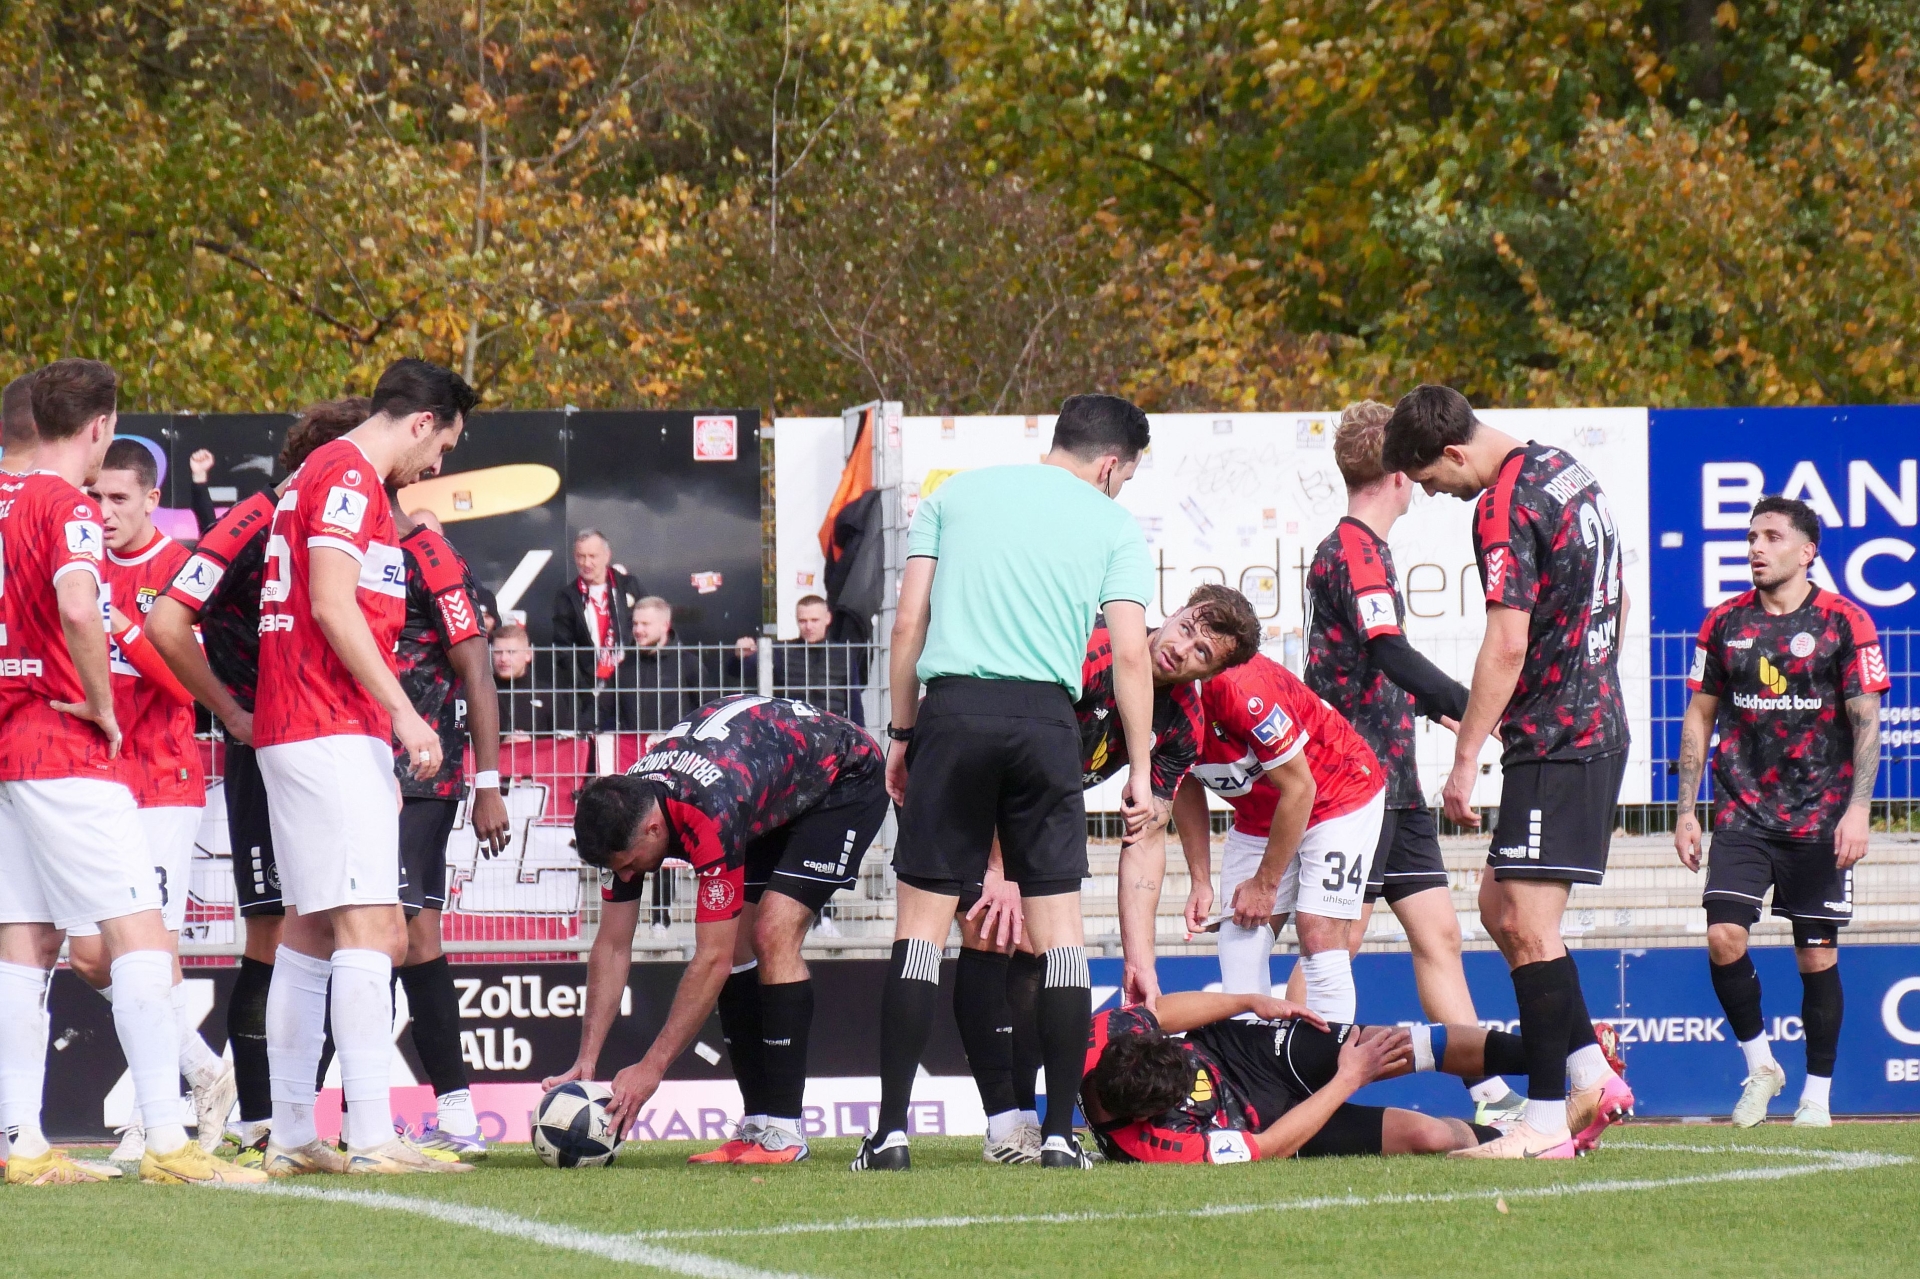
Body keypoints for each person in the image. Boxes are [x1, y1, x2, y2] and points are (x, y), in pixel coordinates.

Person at [861, 393, 1158, 1173]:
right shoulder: (1113, 524)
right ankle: (1058, 1136)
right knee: (1061, 938)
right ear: (1110, 464)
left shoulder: (954, 493)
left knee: (919, 931)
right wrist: (1140, 769)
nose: (1120, 488)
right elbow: (1131, 655)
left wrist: (902, 733)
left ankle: (889, 1136)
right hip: (1046, 723)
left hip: (952, 712)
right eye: (1125, 477)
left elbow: (908, 623)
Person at [0, 359, 260, 1185]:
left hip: (8, 743)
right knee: (139, 936)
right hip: (62, 742)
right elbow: (80, 605)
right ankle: (168, 1140)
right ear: (99, 427)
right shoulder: (62, 504)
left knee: (25, 942)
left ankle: (22, 1142)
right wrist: (101, 700)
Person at [1381, 383, 1632, 1159]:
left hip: (1559, 738)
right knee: (1499, 905)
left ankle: (1546, 1122)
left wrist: (1464, 758)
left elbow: (1507, 641)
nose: (1434, 493)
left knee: (1527, 924)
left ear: (1454, 452)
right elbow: (1615, 597)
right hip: (1587, 722)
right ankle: (1593, 1075)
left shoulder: (1502, 502)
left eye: (1431, 479)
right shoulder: (1564, 468)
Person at [250, 358, 476, 1176]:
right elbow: (331, 600)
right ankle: (373, 1133)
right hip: (327, 723)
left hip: (301, 723)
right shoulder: (347, 474)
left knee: (311, 928)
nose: (437, 466)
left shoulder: (327, 474)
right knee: (378, 929)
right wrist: (405, 712)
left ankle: (291, 1133)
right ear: (421, 422)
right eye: (442, 446)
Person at [954, 585, 1262, 1164]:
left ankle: (1025, 1122)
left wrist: (1140, 961)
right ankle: (1004, 1126)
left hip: (1039, 804)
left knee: (1043, 947)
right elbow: (1005, 748)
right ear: (1174, 612)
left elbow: (1146, 837)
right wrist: (1000, 867)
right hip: (970, 776)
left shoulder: (1182, 723)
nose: (1183, 648)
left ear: (1211, 673)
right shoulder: (1091, 652)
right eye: (1187, 628)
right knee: (993, 928)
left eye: (1202, 652)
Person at [148, 397, 365, 1159]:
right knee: (275, 929)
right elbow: (168, 620)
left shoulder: (339, 524)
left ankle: (310, 1117)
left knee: (343, 925)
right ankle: (260, 1119)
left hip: (330, 741)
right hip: (268, 747)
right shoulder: (256, 518)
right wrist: (233, 711)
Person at [1302, 400, 1524, 1125]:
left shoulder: (1362, 547)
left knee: (1440, 937)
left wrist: (1449, 714)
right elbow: (1389, 653)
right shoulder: (1354, 549)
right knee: (1336, 942)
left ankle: (1489, 1096)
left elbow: (1375, 668)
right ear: (1399, 473)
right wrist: (1473, 705)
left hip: (1395, 782)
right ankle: (1281, 1083)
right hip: (1353, 785)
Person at [547, 694, 888, 1166]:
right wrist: (587, 1059)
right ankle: (756, 1125)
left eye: (628, 864)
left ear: (652, 830)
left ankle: (786, 1132)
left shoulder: (708, 812)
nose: (626, 876)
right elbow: (611, 946)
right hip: (766, 786)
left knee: (770, 933)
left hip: (842, 778)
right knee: (742, 946)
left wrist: (652, 1068)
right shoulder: (627, 817)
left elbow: (712, 960)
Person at [1676, 495, 1886, 1129]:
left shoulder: (1847, 621)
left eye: (1771, 537)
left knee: (1815, 956)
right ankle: (1761, 1065)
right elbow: (1699, 716)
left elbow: (1867, 722)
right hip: (1742, 812)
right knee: (1723, 937)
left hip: (1821, 818)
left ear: (1807, 551)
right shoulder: (1724, 622)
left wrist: (1859, 810)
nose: (1756, 548)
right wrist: (1686, 811)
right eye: (1751, 538)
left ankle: (1817, 1097)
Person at [64, 439, 236, 1166]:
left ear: (150, 498)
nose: (103, 512)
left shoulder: (176, 567)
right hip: (93, 778)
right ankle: (205, 1071)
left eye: (118, 499)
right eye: (95, 497)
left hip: (162, 779)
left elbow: (184, 685)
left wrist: (125, 624)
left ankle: (147, 1119)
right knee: (88, 954)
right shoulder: (80, 563)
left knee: (149, 951)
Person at [1081, 990, 1620, 1163]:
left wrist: (1248, 1001)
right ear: (1146, 1114)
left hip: (1246, 1052)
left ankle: (1576, 1061)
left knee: (1393, 1045)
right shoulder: (1156, 1145)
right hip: (1269, 1119)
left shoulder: (1105, 1034)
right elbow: (1266, 1148)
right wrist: (1347, 1080)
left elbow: (1161, 1013)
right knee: (1427, 1136)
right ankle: (1536, 1137)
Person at [386, 494, 513, 1157]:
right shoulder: (348, 552)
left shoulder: (428, 556)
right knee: (405, 939)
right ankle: (454, 1116)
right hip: (361, 769)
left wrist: (489, 785)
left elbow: (477, 668)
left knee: (391, 935)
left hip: (418, 777)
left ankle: (381, 1117)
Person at [1176, 651, 1385, 1025]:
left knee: (1319, 934)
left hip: (1337, 792)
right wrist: (1200, 879)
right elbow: (1180, 782)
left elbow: (1301, 789)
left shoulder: (1244, 689)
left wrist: (1265, 883)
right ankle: (1252, 1058)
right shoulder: (1140, 697)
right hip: (1260, 812)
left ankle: (1331, 1059)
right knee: (1238, 937)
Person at [552, 529, 644, 729]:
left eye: (592, 556)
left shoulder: (628, 585)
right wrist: (584, 688)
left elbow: (648, 625)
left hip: (630, 681)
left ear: (607, 556)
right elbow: (563, 649)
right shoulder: (567, 596)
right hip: (592, 687)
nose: (586, 563)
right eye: (580, 556)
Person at [733, 595, 869, 724]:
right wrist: (739, 656)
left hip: (830, 730)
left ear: (827, 618)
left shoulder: (843, 654)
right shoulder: (781, 651)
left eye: (814, 620)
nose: (808, 627)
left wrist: (860, 737)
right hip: (791, 730)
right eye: (803, 621)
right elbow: (738, 671)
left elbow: (854, 704)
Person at [619, 596, 710, 736]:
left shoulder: (688, 664)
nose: (638, 630)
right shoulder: (624, 664)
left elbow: (709, 713)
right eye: (635, 624)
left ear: (665, 626)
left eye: (645, 624)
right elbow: (601, 710)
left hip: (674, 747)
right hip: (631, 747)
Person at [493, 622, 566, 739]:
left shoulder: (548, 695)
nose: (503, 659)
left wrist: (531, 743)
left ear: (528, 654)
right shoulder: (478, 693)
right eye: (497, 652)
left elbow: (565, 742)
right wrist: (501, 745)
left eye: (511, 652)